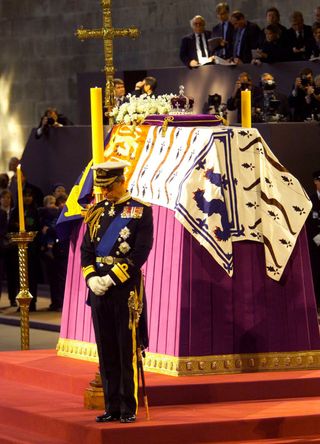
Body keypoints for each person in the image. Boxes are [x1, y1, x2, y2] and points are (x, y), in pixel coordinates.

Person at [81, 160, 153, 423]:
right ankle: (110, 406)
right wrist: (91, 279)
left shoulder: (140, 212)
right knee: (106, 346)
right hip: (98, 288)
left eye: (109, 187)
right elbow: (86, 249)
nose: (105, 193)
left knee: (125, 349)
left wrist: (111, 278)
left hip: (124, 289)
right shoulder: (96, 211)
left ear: (122, 181)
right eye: (103, 188)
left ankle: (127, 407)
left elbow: (140, 253)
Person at [306, 170, 320, 309]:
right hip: (316, 244)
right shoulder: (311, 201)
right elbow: (310, 223)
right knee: (317, 273)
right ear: (316, 182)